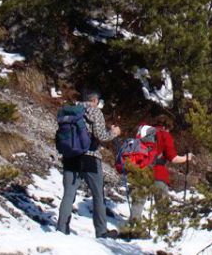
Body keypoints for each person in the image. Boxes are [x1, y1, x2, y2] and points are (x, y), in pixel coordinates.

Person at [56, 87, 121, 238]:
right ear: (94, 100)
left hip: (70, 156)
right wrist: (114, 132)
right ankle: (101, 231)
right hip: (90, 156)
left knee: (68, 194)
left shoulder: (70, 111)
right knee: (98, 195)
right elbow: (101, 135)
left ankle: (61, 228)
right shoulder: (95, 112)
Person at [125, 115, 190, 236]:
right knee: (162, 204)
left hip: (141, 170)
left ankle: (134, 227)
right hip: (158, 173)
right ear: (167, 126)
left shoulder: (143, 132)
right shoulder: (165, 135)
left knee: (138, 202)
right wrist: (187, 158)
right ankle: (163, 232)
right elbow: (173, 158)